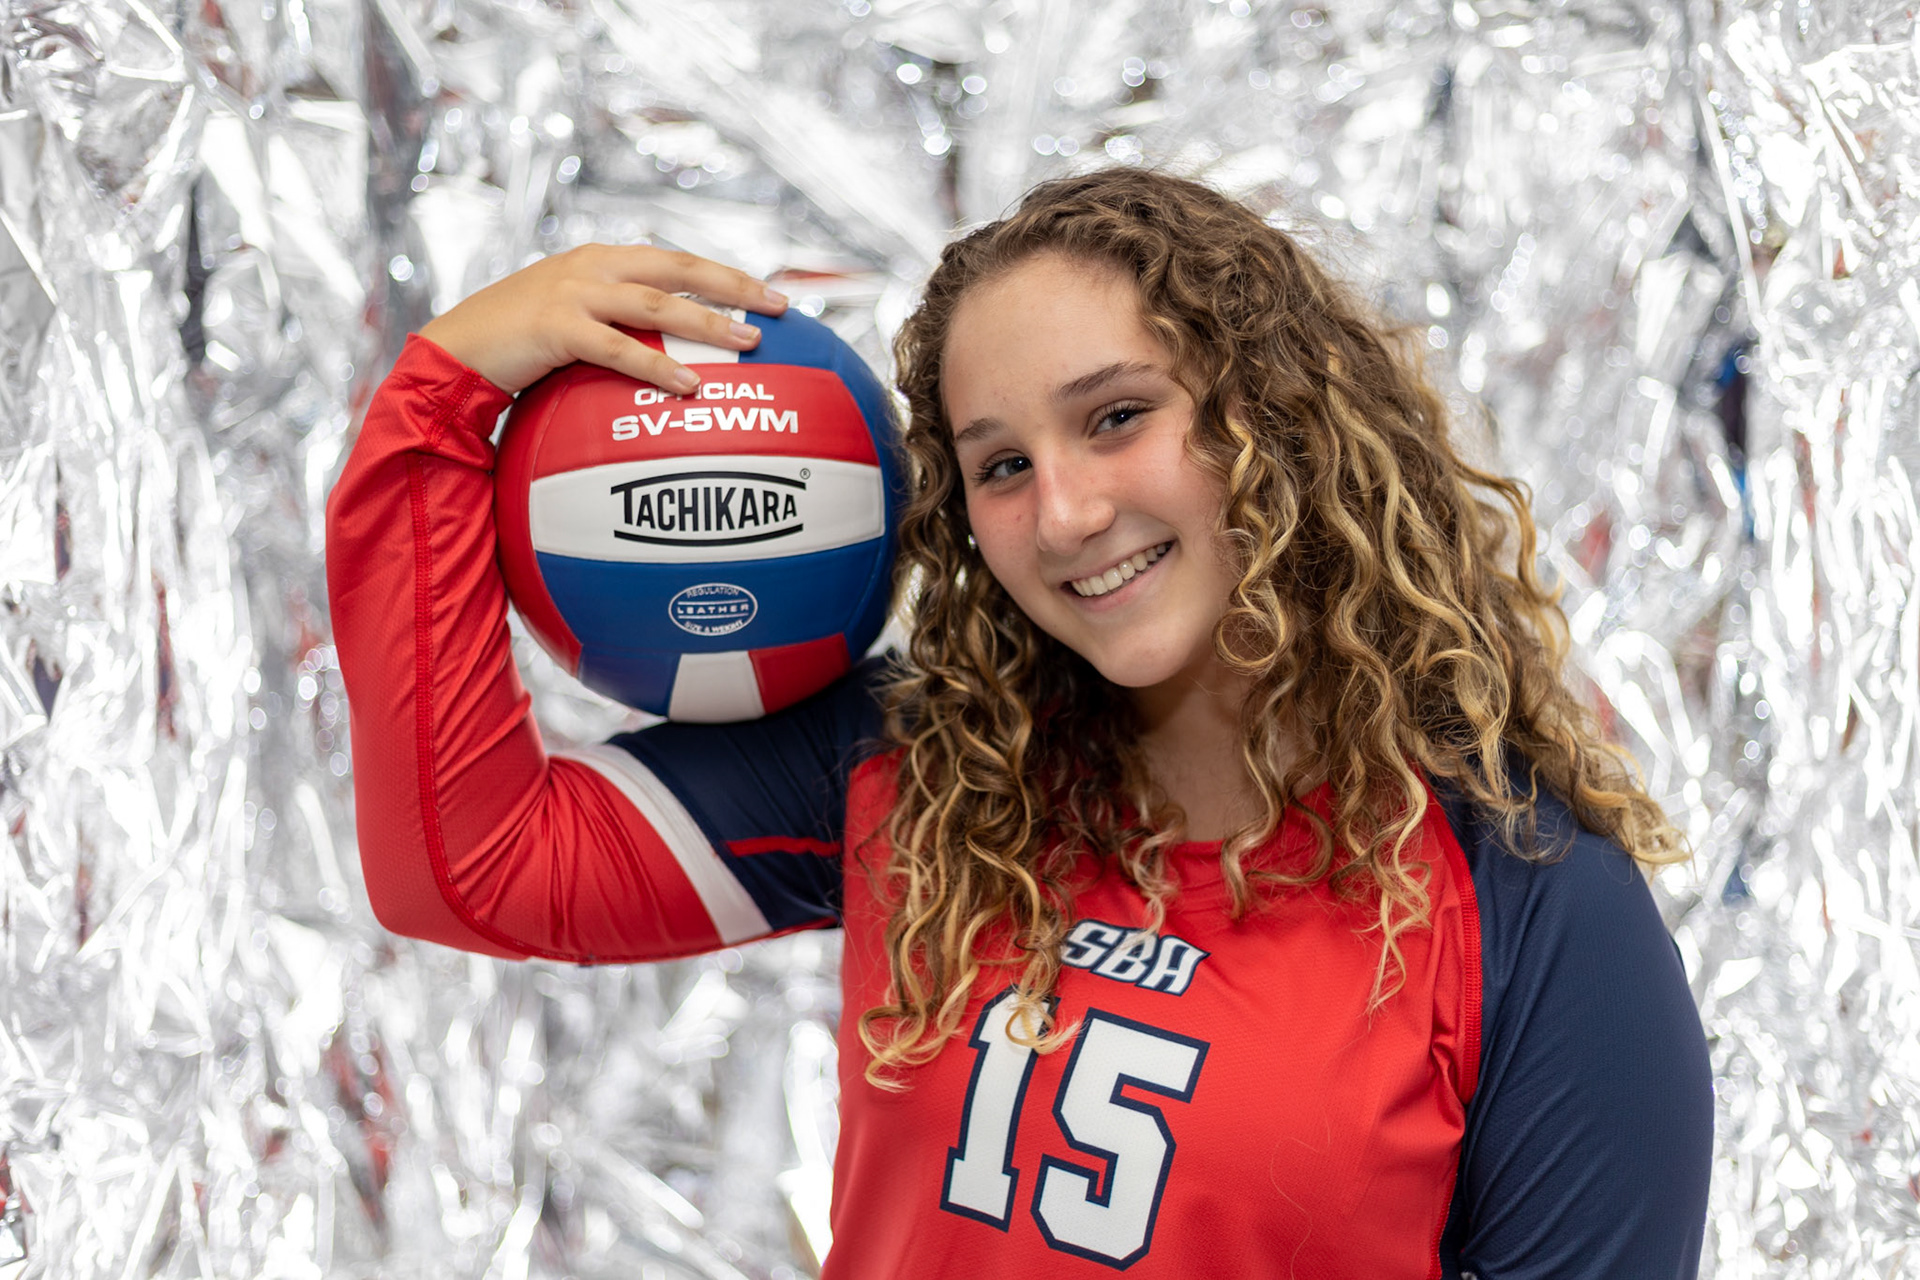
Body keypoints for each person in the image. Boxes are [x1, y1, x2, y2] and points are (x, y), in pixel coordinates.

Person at [326, 169, 1713, 1277]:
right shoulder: (923, 772)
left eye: (1117, 417)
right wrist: (442, 398)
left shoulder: (1530, 907)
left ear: (1277, 416)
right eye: (1000, 465)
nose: (1063, 514)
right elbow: (469, 862)